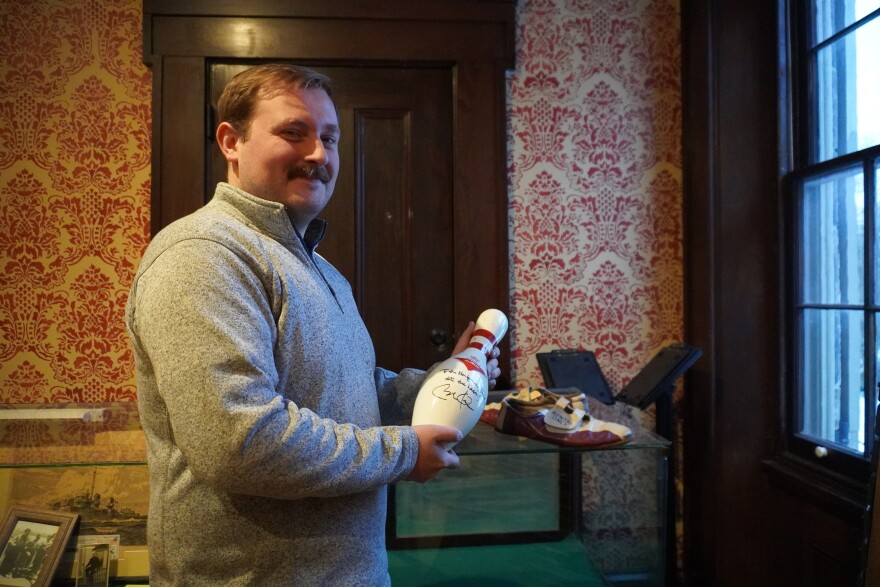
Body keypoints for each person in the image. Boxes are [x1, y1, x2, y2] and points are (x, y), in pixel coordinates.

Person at [125, 63, 502, 586]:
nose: (319, 155)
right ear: (231, 141)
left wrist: (446, 379)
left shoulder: (320, 269)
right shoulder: (204, 256)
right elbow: (240, 443)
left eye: (330, 138)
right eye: (293, 133)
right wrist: (404, 451)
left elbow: (353, 390)